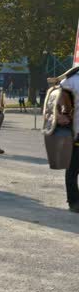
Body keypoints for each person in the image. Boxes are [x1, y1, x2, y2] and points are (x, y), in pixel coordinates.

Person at [59, 72, 79, 213]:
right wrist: (60, 116)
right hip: (76, 133)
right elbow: (55, 101)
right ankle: (73, 201)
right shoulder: (70, 81)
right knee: (73, 168)